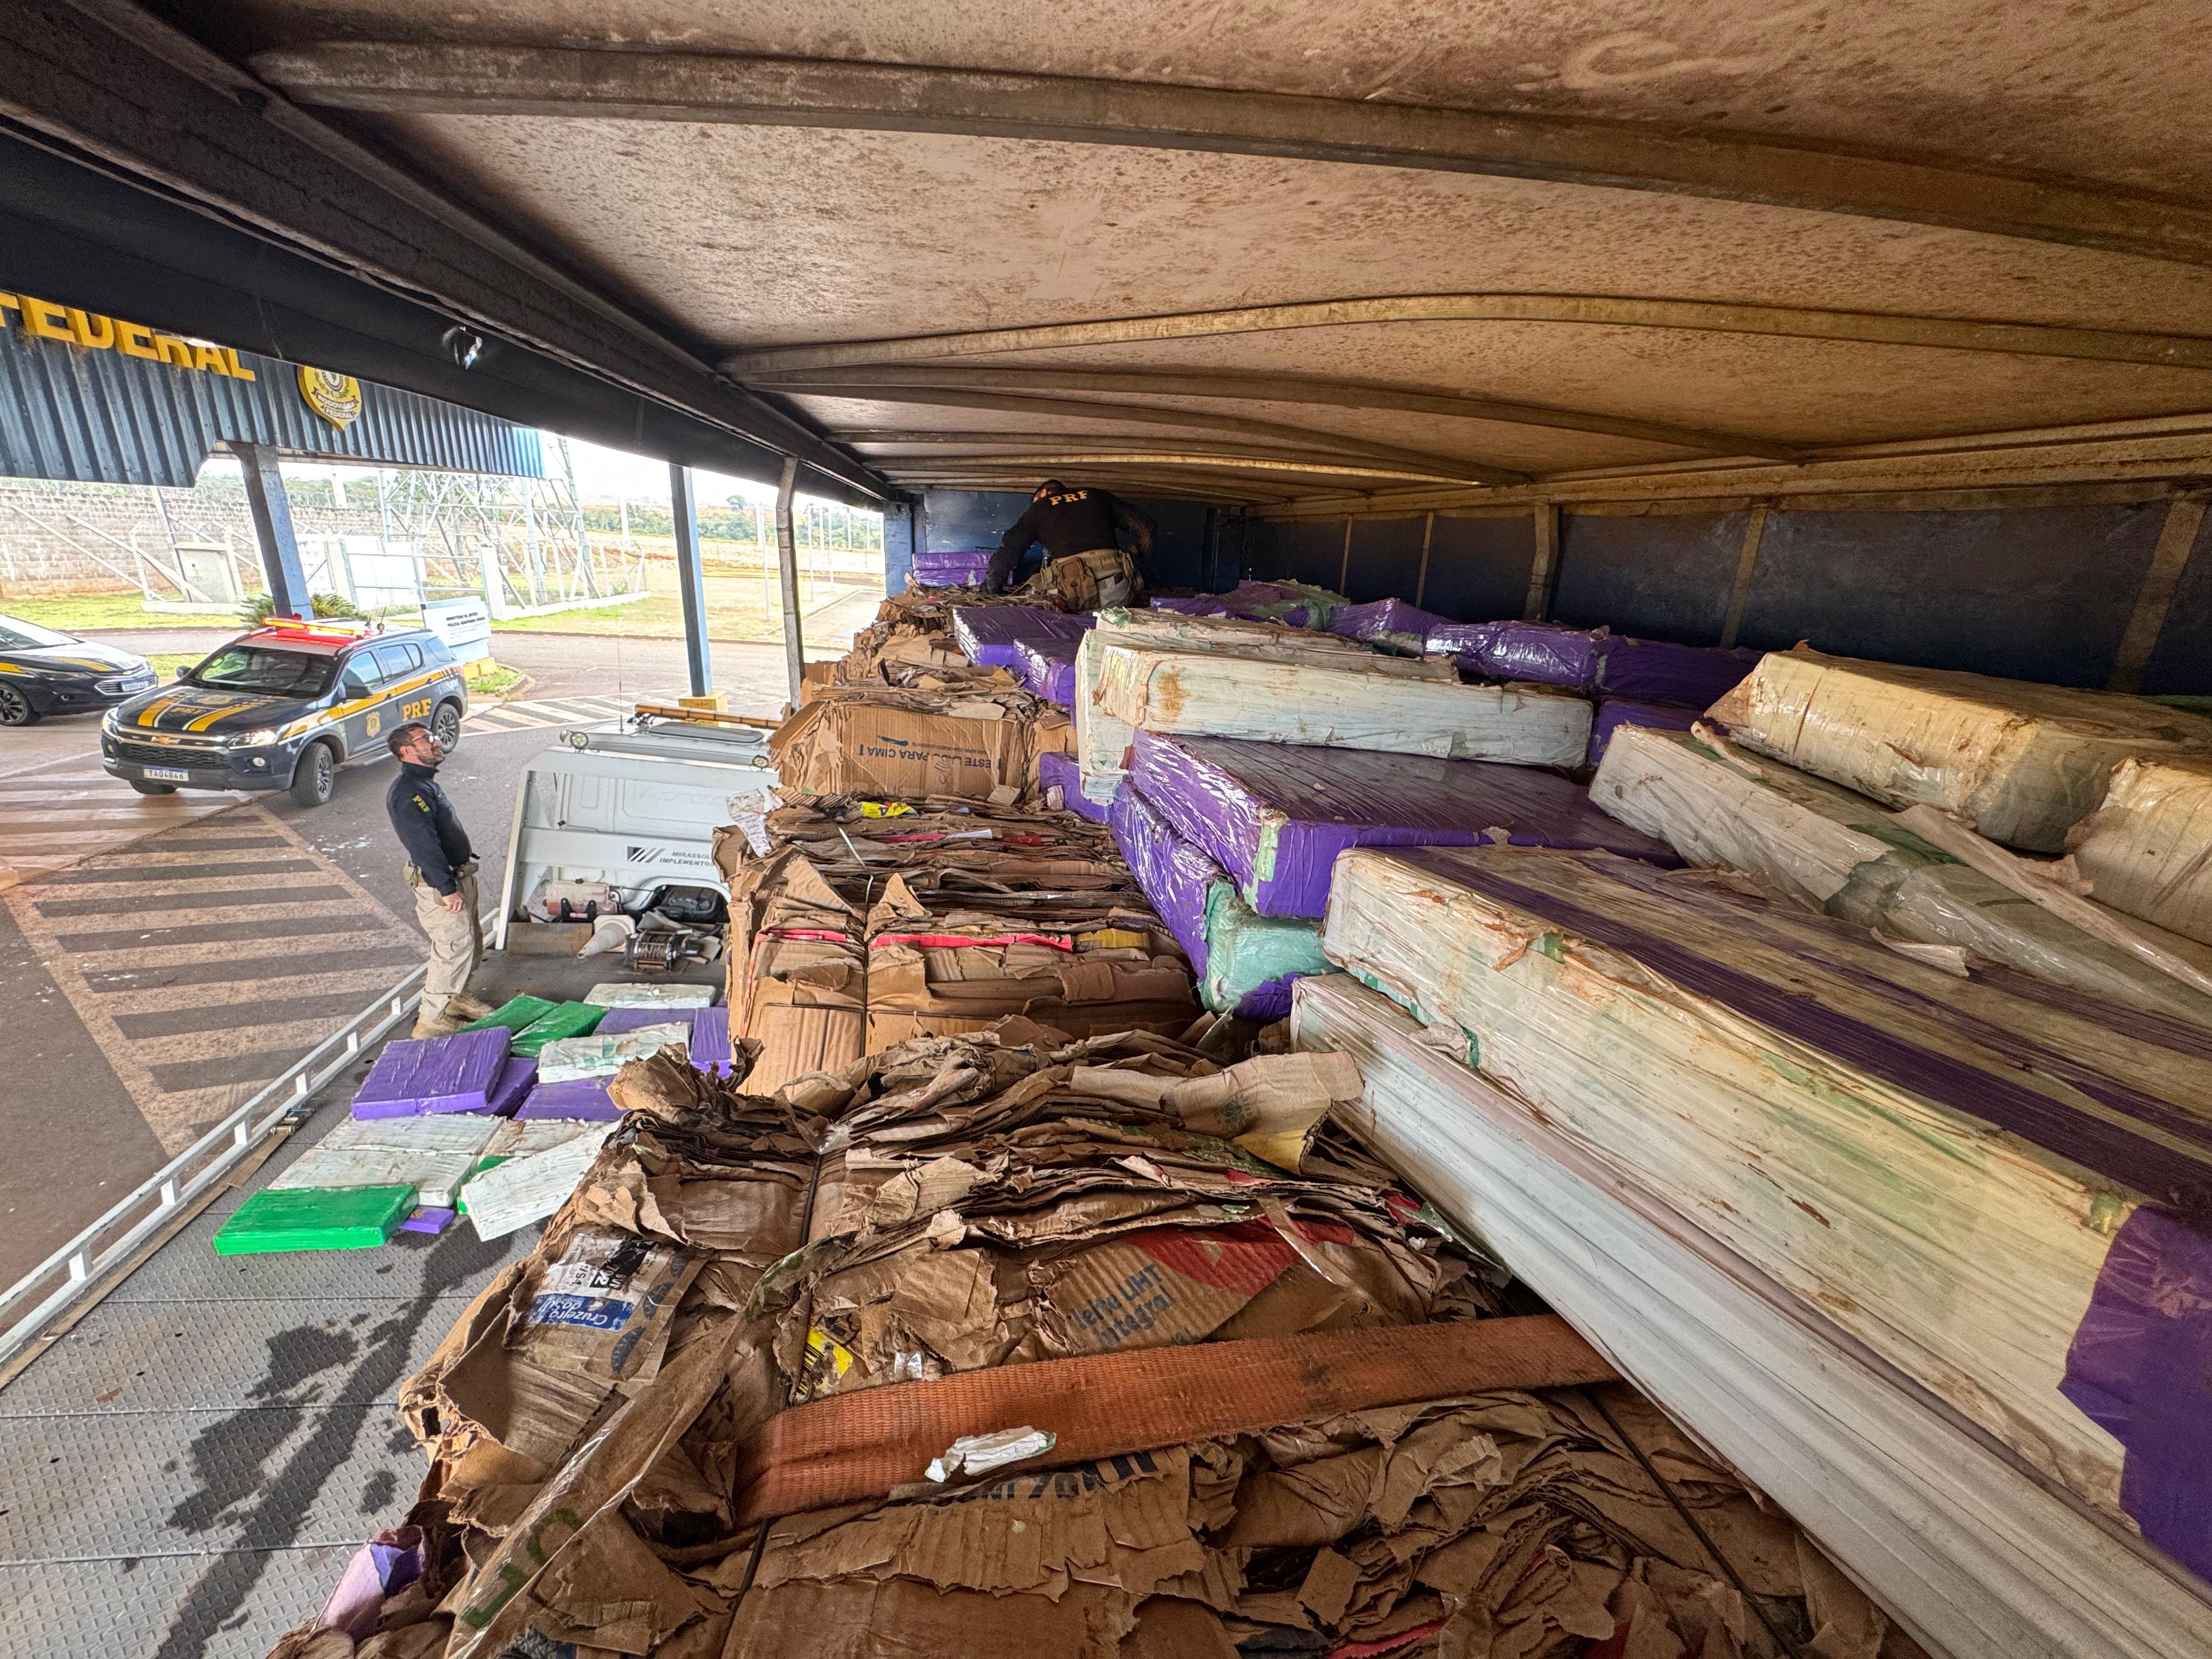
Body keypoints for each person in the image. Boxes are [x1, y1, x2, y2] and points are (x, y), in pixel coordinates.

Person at [386, 721, 493, 1037]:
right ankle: (432, 1021)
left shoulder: (424, 784)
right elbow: (422, 844)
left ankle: (456, 999)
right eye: (425, 739)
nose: (435, 741)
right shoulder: (408, 792)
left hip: (457, 877)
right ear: (407, 750)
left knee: (469, 943)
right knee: (451, 948)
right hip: (441, 885)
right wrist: (446, 889)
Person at [985, 479, 1156, 608]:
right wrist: (1139, 565)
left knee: (1036, 588)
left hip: (1071, 596)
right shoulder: (1098, 496)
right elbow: (1146, 527)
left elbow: (1008, 553)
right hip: (1118, 591)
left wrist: (992, 589)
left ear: (1043, 494)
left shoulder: (1039, 508)